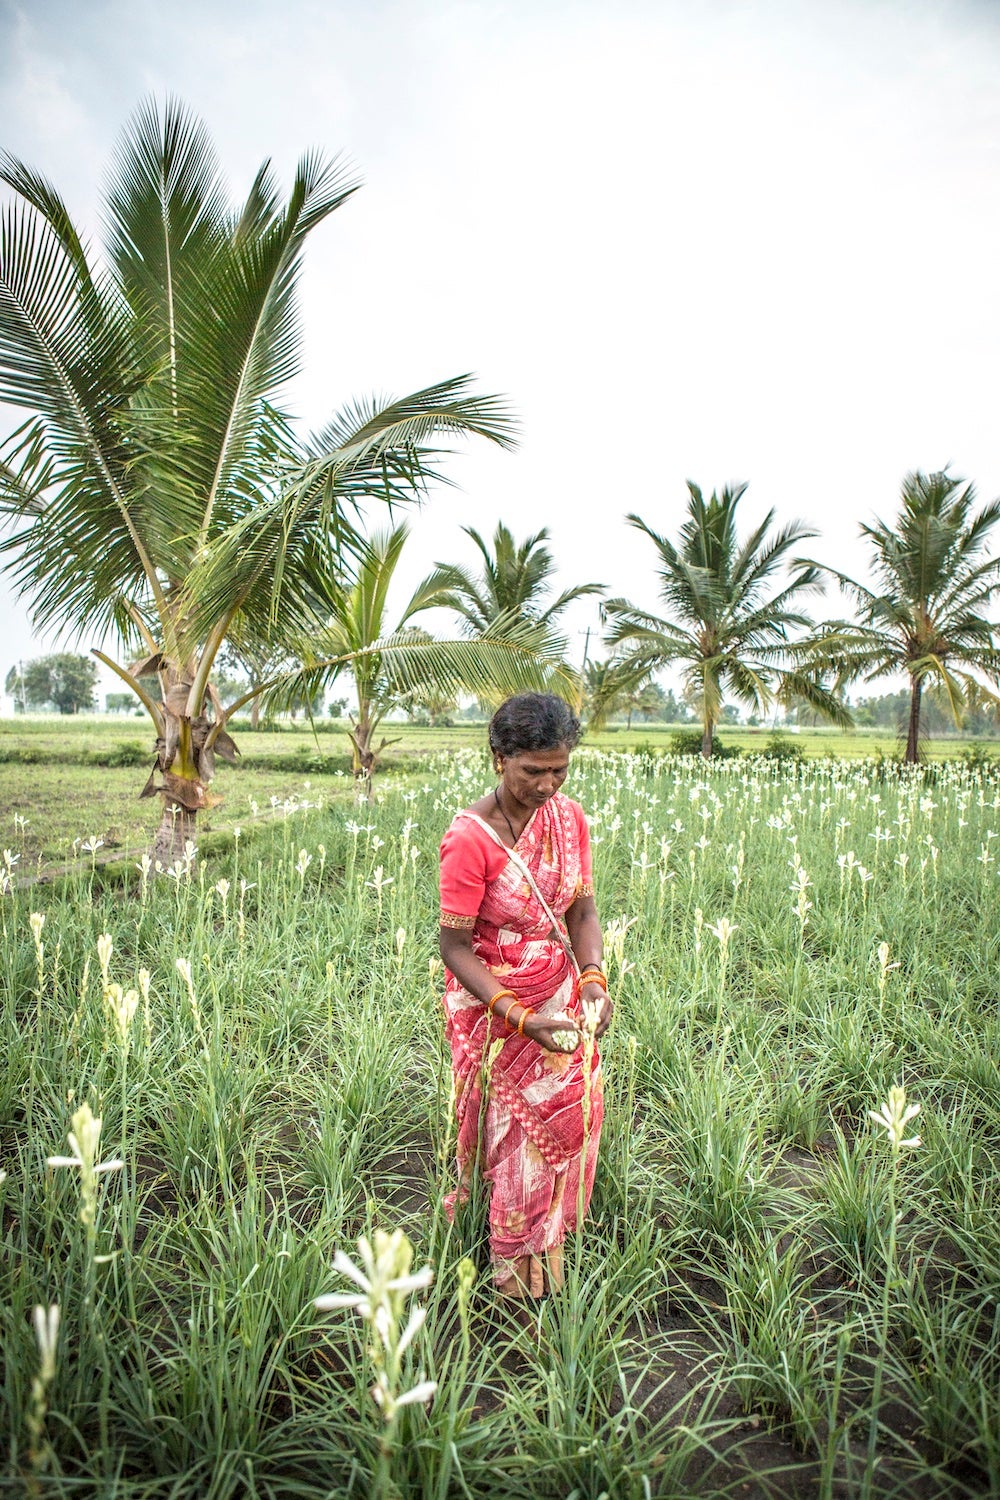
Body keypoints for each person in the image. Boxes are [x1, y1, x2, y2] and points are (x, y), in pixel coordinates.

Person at [438, 691, 612, 1302]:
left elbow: (582, 908)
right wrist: (517, 1015)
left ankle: (554, 1248)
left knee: (566, 1122)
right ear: (498, 759)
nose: (546, 784)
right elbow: (454, 946)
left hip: (560, 998)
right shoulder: (470, 838)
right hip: (493, 1004)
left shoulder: (570, 819)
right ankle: (514, 1277)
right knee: (512, 1133)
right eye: (532, 770)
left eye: (558, 769)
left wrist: (593, 979)